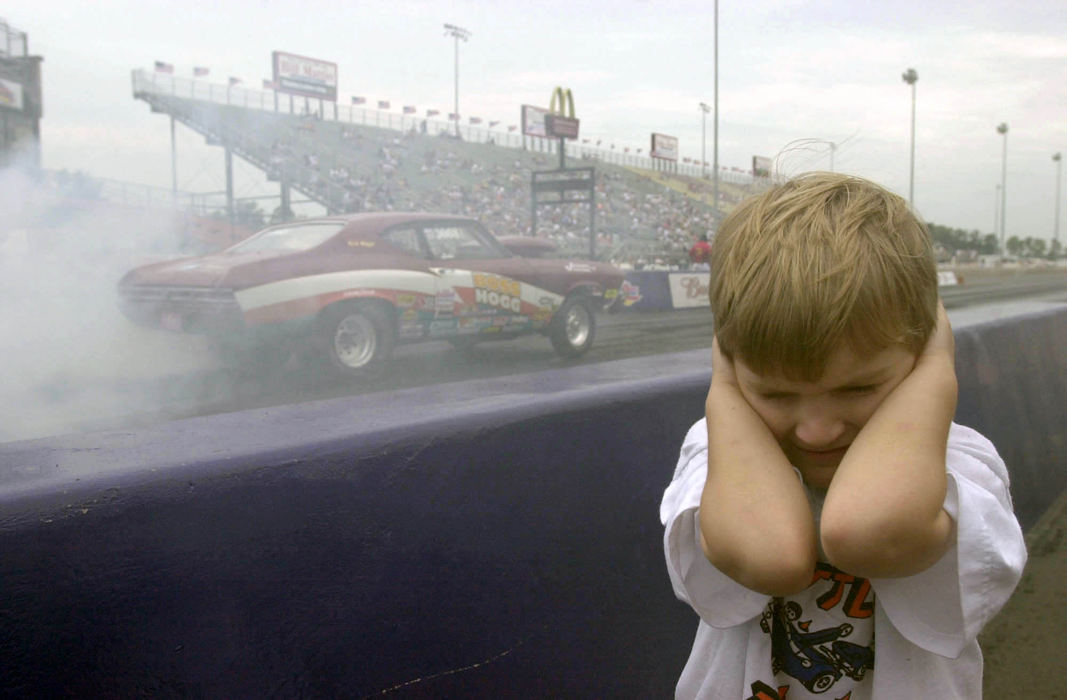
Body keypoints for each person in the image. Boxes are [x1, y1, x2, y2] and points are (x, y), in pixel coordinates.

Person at [660, 172, 1026, 699]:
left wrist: (939, 369)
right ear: (732, 368)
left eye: (858, 388)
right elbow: (775, 559)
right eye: (778, 395)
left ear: (921, 357)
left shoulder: (962, 465)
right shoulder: (717, 450)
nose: (817, 428)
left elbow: (867, 532)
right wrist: (723, 385)